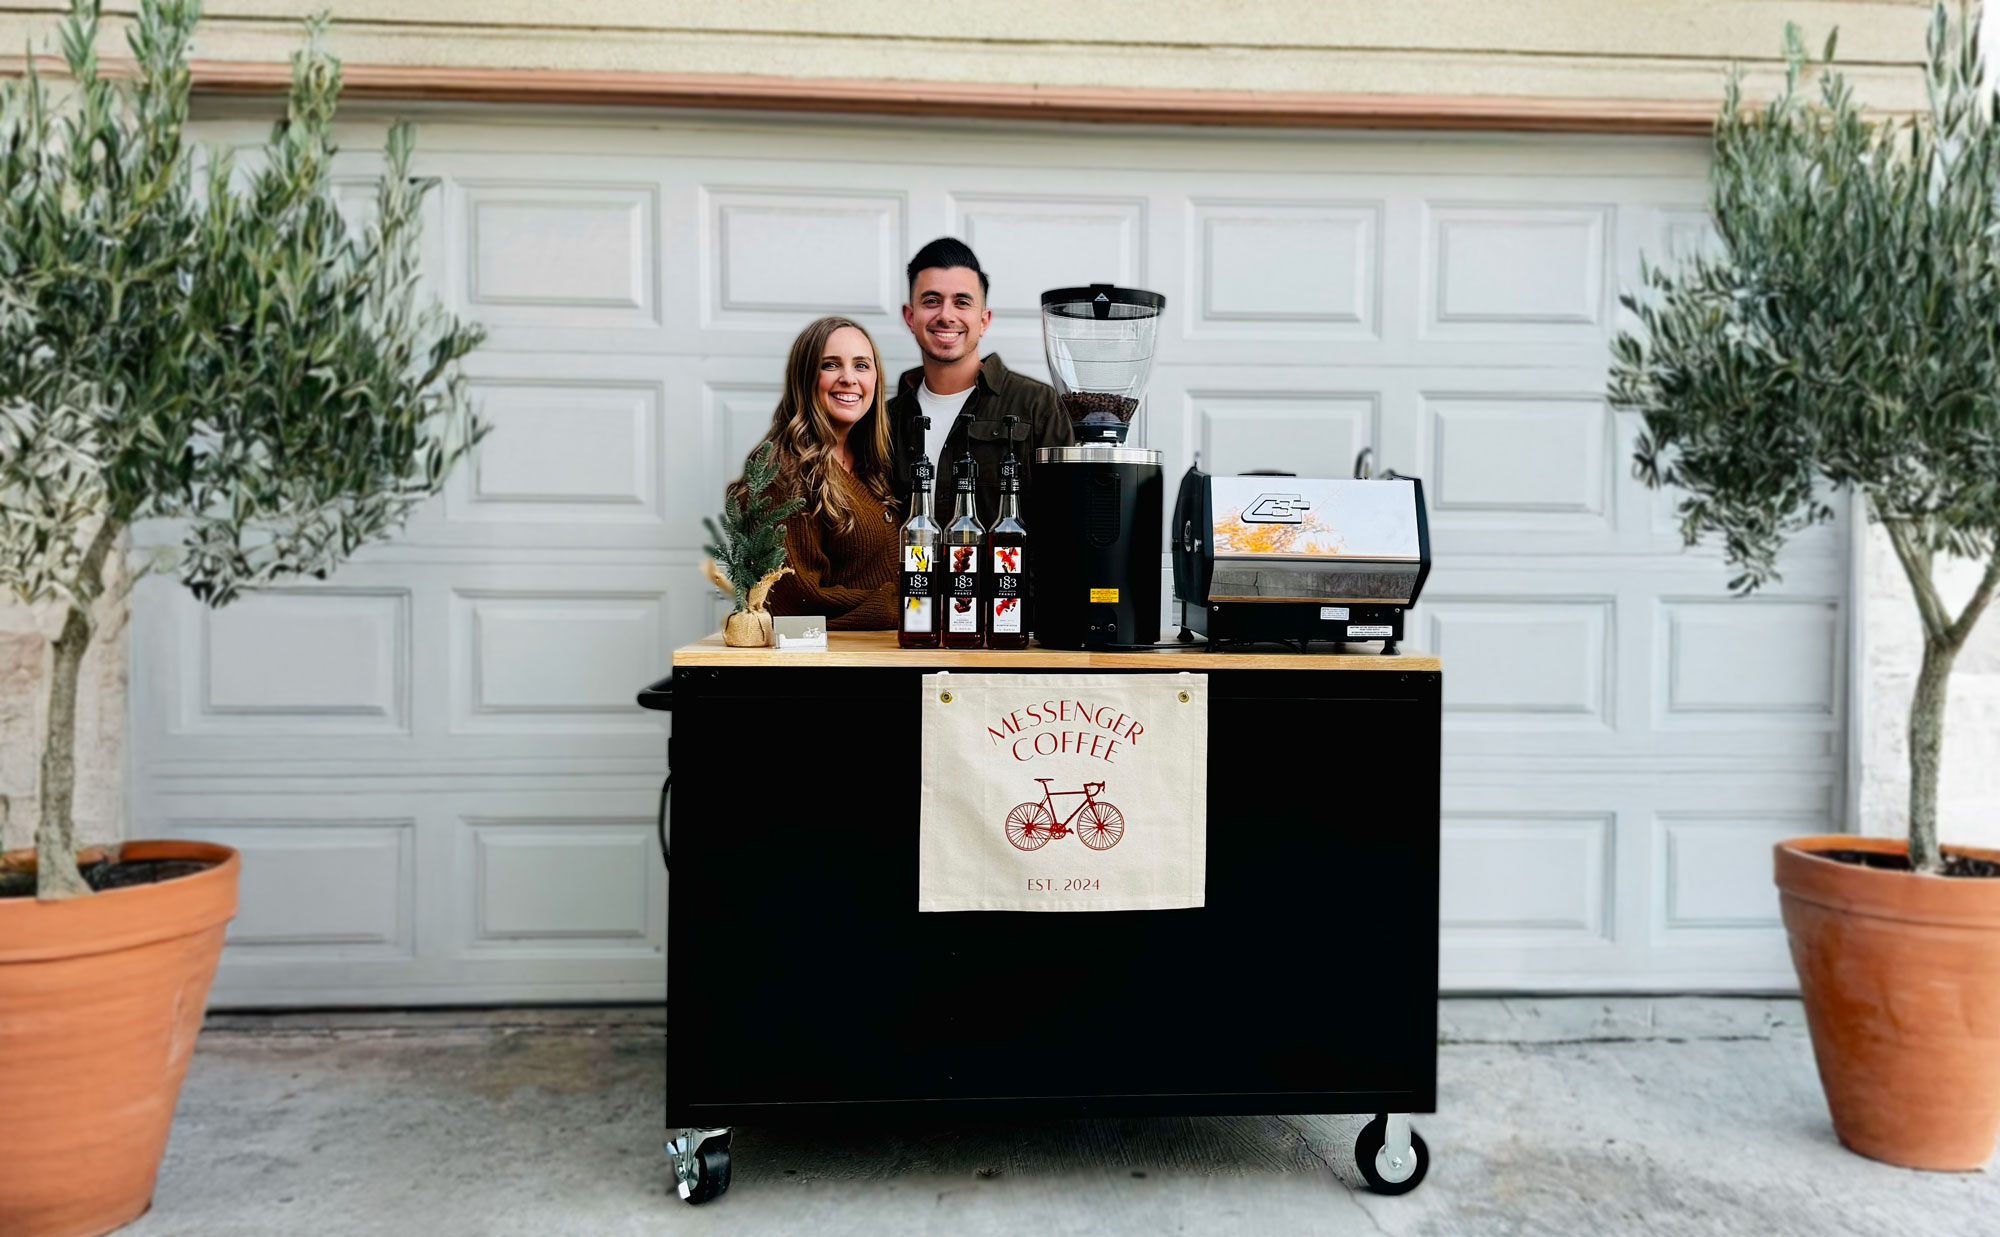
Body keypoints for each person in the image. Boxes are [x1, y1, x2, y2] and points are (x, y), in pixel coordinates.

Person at [887, 238, 1071, 527]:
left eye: (962, 302)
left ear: (983, 320)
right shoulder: (885, 419)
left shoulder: (1037, 406)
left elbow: (1066, 521)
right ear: (910, 317)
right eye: (931, 301)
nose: (946, 316)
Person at [740, 316, 901, 629]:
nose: (849, 378)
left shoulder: (869, 464)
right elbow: (796, 601)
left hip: (880, 657)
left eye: (861, 365)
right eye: (830, 364)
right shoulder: (781, 474)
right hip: (827, 668)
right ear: (804, 377)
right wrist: (904, 606)